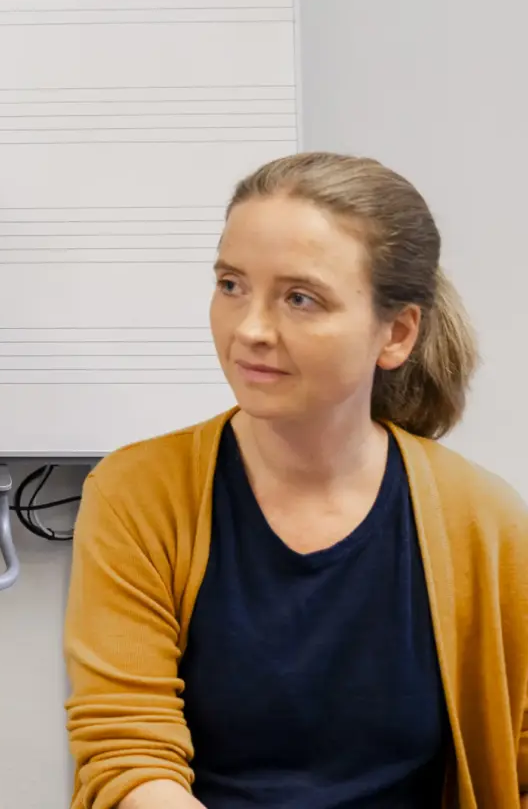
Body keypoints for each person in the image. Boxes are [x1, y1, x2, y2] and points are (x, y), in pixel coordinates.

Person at [62, 151, 528, 809]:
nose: (249, 329)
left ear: (395, 333)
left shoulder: (485, 520)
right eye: (231, 284)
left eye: (300, 298)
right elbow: (129, 752)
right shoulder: (136, 493)